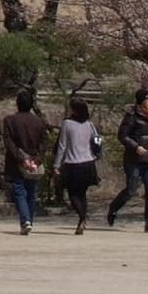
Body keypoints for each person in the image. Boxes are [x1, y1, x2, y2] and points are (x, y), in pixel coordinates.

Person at [104, 89, 148, 232]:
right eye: (147, 99)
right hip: (134, 159)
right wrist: (136, 147)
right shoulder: (131, 116)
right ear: (140, 101)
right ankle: (114, 208)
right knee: (131, 190)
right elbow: (122, 135)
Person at [0, 87, 55, 234]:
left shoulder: (10, 120)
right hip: (34, 163)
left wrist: (22, 159)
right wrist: (37, 160)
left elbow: (9, 142)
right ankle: (29, 220)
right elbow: (44, 143)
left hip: (16, 162)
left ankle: (25, 220)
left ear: (18, 104)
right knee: (31, 192)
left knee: (19, 191)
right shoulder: (39, 122)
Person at [54, 96, 103, 234]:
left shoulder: (67, 124)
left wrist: (57, 164)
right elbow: (98, 140)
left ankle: (82, 217)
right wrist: (98, 153)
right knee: (82, 193)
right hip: (88, 163)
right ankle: (83, 218)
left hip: (72, 163)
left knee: (73, 194)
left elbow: (62, 145)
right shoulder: (89, 124)